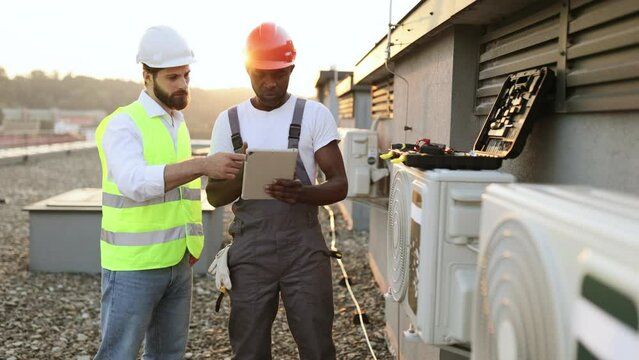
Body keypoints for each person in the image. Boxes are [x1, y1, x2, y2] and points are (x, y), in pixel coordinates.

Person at [93, 25, 244, 359]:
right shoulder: (122, 125)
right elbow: (135, 183)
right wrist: (203, 165)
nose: (183, 85)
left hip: (178, 261)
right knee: (118, 353)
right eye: (173, 77)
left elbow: (181, 196)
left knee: (168, 354)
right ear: (147, 76)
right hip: (134, 267)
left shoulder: (176, 123)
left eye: (186, 76)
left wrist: (190, 249)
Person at [206, 22, 348, 360]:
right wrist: (243, 172)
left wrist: (303, 193)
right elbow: (214, 197)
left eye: (280, 75)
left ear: (291, 70)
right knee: (249, 347)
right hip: (251, 248)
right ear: (247, 69)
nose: (270, 83)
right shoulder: (229, 122)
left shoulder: (314, 115)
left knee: (316, 344)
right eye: (261, 75)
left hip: (304, 247)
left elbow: (339, 184)